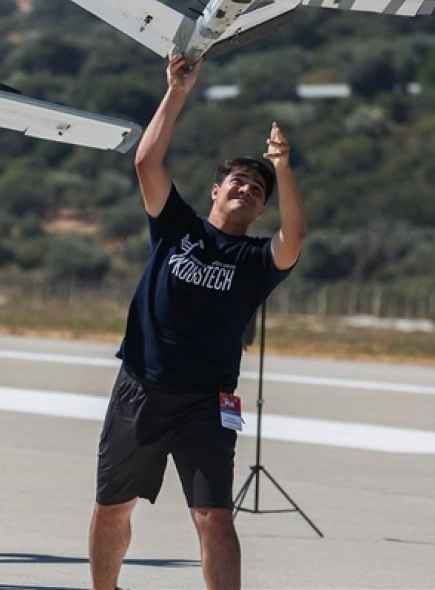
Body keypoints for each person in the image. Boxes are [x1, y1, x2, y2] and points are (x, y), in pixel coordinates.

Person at [88, 53, 306, 590]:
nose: (246, 190)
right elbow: (146, 162)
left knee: (214, 518)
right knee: (113, 508)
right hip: (141, 387)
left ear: (261, 210)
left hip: (207, 404)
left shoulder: (257, 261)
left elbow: (295, 237)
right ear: (216, 190)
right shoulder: (176, 227)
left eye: (257, 191)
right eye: (238, 181)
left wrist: (282, 167)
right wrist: (177, 91)